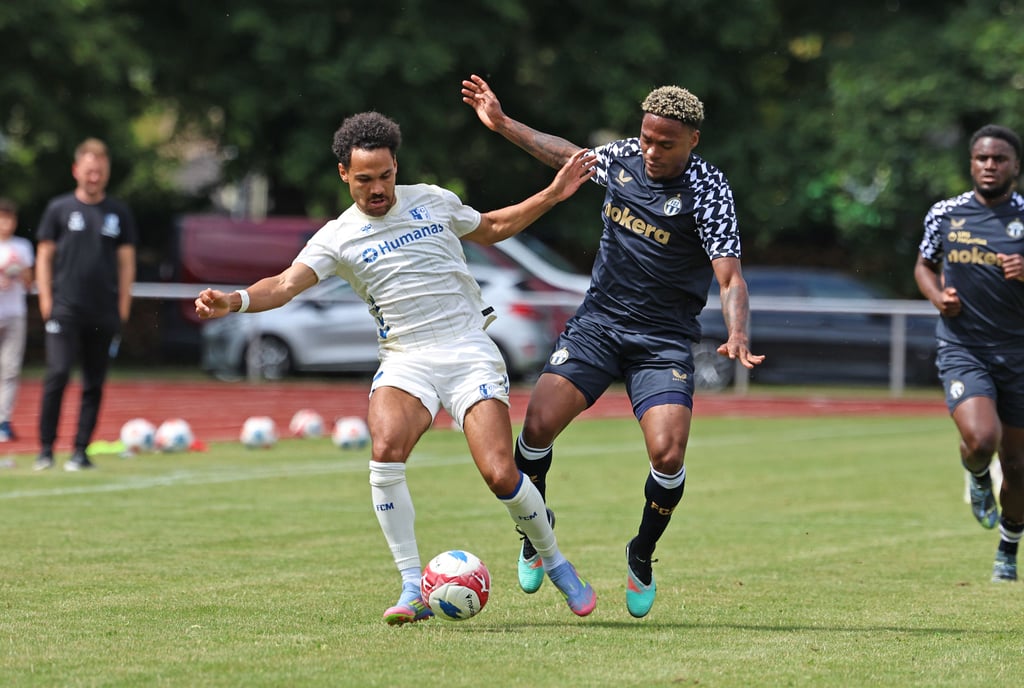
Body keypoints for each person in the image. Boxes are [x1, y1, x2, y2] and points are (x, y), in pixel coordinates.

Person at [195, 112, 599, 624]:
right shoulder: (337, 236)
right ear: (344, 174)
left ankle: (557, 562)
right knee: (385, 452)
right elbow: (283, 284)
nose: (378, 188)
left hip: (468, 348)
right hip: (406, 358)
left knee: (500, 473)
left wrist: (553, 193)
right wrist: (232, 300)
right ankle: (411, 586)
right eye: (365, 179)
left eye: (385, 175)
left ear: (395, 167)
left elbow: (494, 226)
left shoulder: (432, 199)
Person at [462, 75, 764, 617]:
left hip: (663, 341)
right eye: (646, 138)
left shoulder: (709, 191)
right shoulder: (624, 158)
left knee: (668, 455)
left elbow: (731, 278)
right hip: (598, 325)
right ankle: (536, 532)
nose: (650, 151)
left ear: (693, 139)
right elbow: (565, 155)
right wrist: (503, 123)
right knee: (534, 431)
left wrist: (738, 331)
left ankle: (641, 553)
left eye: (665, 143)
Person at [914, 123, 1024, 583]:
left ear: (1015, 166)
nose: (989, 165)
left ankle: (1007, 549)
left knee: (1018, 466)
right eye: (982, 158)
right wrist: (938, 297)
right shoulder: (946, 213)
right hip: (965, 346)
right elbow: (924, 265)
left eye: (999, 158)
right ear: (971, 163)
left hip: (1019, 352)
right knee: (982, 439)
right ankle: (978, 474)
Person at [33, 138, 137, 471]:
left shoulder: (118, 212)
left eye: (101, 171)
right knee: (58, 374)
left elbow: (126, 262)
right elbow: (44, 256)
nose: (95, 177)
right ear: (77, 170)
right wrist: (46, 299)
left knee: (94, 382)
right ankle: (46, 449)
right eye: (90, 170)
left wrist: (123, 306)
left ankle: (81, 450)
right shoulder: (59, 208)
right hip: (65, 308)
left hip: (103, 310)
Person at [0, 198, 34, 442]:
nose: (5, 224)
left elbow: (29, 283)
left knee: (10, 368)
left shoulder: (22, 246)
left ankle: (3, 420)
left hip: (15, 314)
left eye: (9, 219)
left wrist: (18, 270)